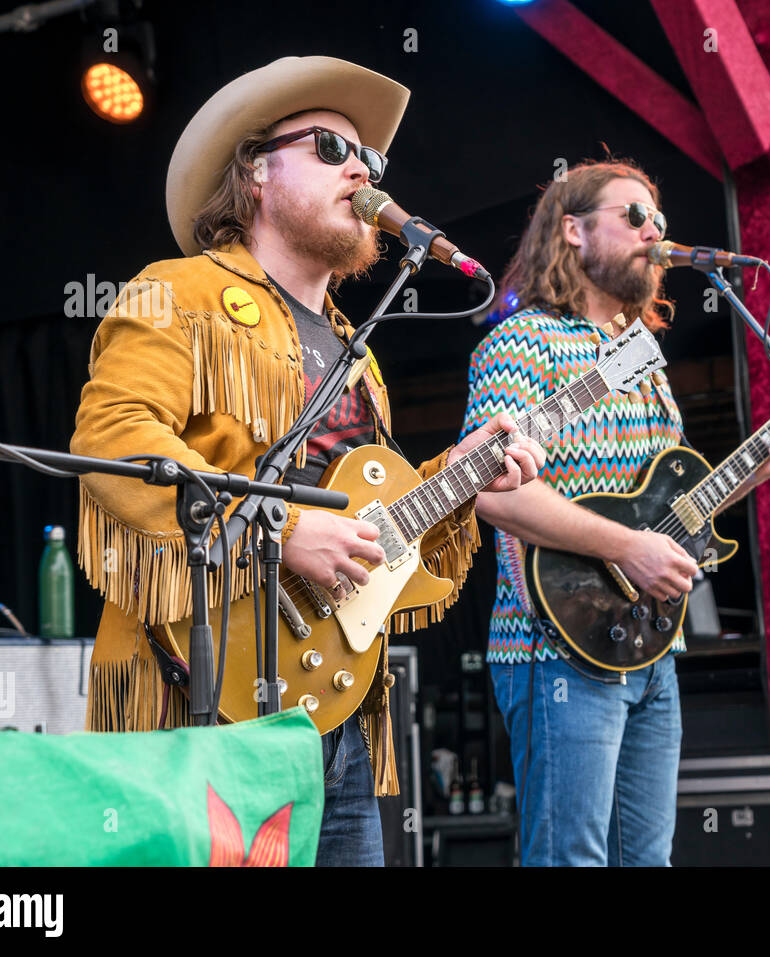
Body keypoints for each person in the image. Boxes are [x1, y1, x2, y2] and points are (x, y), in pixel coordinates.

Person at [69, 56, 544, 866]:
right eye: (331, 147)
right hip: (202, 698)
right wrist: (277, 528)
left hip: (336, 714)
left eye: (372, 160)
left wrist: (457, 475)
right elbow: (114, 438)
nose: (362, 170)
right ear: (256, 170)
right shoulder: (174, 291)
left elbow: (371, 528)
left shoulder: (359, 358)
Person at [462, 159, 770, 865]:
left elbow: (674, 507)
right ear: (573, 231)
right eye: (635, 216)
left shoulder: (641, 357)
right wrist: (625, 548)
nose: (655, 232)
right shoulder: (522, 341)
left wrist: (754, 471)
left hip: (650, 648)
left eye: (661, 221)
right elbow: (494, 491)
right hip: (553, 646)